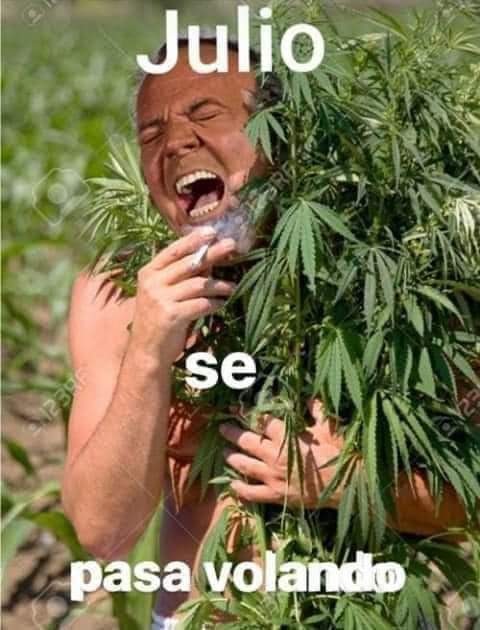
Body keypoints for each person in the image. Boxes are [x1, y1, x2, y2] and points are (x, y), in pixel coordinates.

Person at [62, 37, 477, 628]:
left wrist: (350, 483)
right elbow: (103, 534)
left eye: (206, 114)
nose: (176, 143)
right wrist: (149, 352)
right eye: (152, 135)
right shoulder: (118, 292)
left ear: (282, 137)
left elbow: (470, 498)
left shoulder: (394, 279)